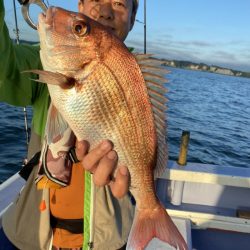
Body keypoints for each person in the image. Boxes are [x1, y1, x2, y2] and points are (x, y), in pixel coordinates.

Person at [0, 0, 187, 249]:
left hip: (106, 239)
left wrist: (142, 193)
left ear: (132, 19)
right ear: (80, 4)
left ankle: (149, 215)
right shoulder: (41, 59)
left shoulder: (133, 76)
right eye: (95, 0)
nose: (105, 12)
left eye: (119, 4)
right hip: (30, 233)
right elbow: (5, 70)